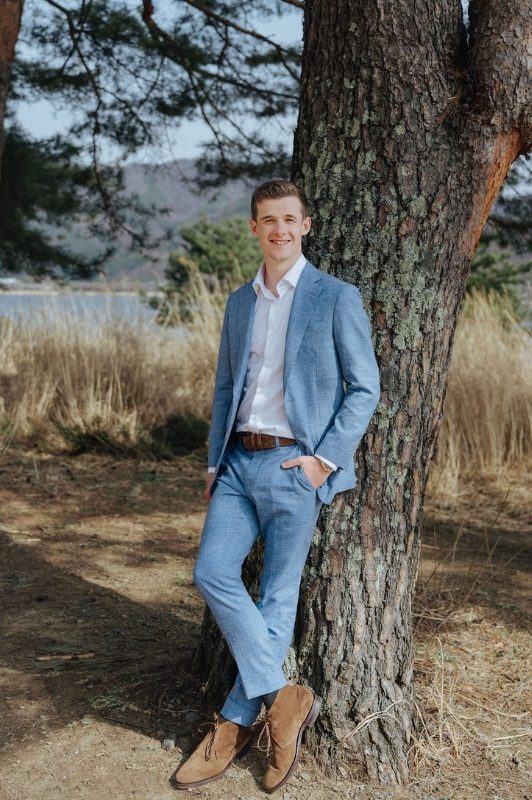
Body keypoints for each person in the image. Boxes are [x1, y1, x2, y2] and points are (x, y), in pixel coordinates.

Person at [170, 180, 380, 791]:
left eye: (289, 219)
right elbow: (224, 386)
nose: (279, 230)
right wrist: (214, 462)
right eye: (268, 220)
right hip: (238, 464)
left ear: (305, 227)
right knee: (211, 572)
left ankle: (234, 724)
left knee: (277, 598)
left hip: (296, 467)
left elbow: (364, 387)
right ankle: (283, 699)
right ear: (255, 229)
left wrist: (323, 461)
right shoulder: (240, 302)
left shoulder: (335, 298)